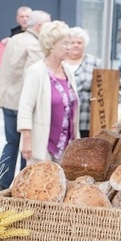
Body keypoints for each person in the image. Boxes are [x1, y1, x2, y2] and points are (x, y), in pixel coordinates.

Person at [0, 10, 51, 191]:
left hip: (6, 99)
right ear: (39, 26)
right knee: (28, 145)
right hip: (22, 103)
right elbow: (32, 78)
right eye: (48, 23)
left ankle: (2, 182)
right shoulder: (35, 45)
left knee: (11, 142)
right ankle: (23, 186)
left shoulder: (14, 39)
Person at [18, 21, 80, 164]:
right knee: (41, 183)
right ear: (51, 46)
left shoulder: (68, 71)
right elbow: (25, 109)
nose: (69, 48)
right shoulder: (36, 71)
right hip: (43, 143)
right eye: (65, 44)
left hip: (67, 144)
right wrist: (27, 142)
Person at [65, 27, 102, 138]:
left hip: (86, 119)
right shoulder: (60, 62)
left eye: (79, 42)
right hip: (64, 119)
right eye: (72, 42)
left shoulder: (95, 62)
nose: (76, 45)